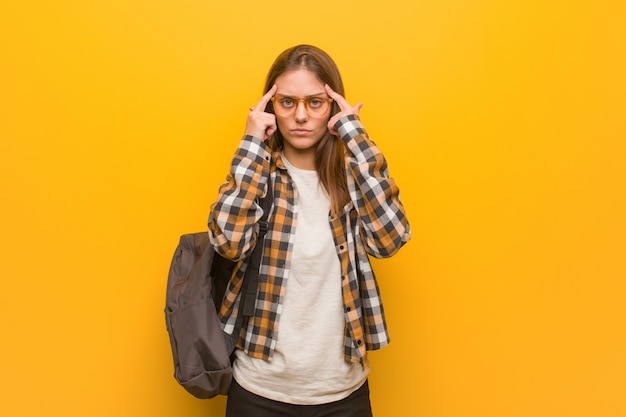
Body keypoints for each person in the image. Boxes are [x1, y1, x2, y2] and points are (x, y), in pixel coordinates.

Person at [208, 44, 411, 417]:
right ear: (271, 109)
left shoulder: (351, 180)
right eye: (287, 102)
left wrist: (355, 136)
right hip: (259, 391)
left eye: (315, 102)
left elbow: (390, 238)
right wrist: (252, 144)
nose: (300, 116)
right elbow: (228, 242)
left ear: (333, 108)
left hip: (342, 393)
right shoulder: (259, 176)